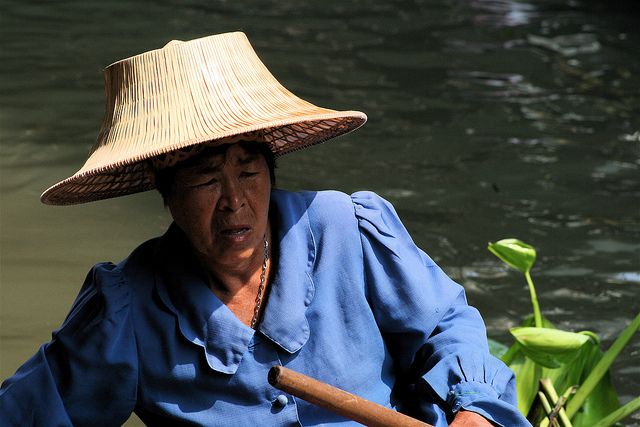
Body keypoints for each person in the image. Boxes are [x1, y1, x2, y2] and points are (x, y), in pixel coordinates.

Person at [0, 32, 530, 426]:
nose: (235, 202)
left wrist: (474, 411)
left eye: (248, 172)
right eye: (207, 180)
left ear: (271, 169)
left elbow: (448, 326)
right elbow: (28, 412)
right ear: (166, 193)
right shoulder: (128, 306)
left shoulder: (346, 227)